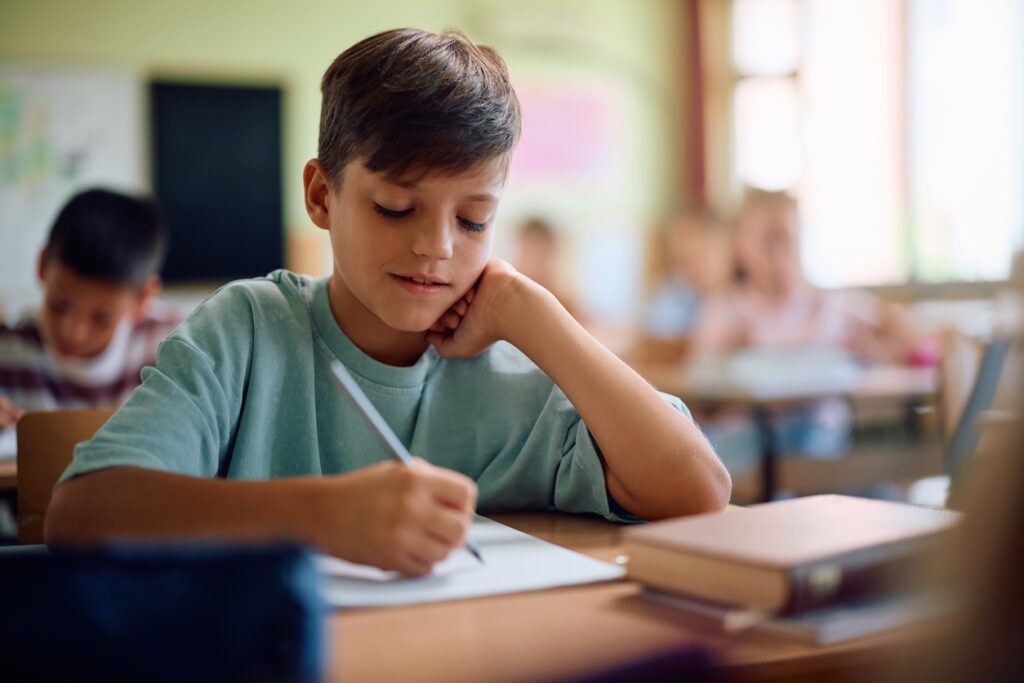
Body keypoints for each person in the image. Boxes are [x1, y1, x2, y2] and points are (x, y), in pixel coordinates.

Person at [45, 28, 730, 577]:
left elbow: (699, 490)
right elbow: (81, 511)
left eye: (474, 220)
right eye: (397, 207)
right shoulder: (248, 331)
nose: (437, 247)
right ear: (321, 196)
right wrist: (320, 515)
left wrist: (532, 309)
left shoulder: (517, 364)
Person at [694, 189, 911, 475]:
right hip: (744, 438)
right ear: (741, 246)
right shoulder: (727, 310)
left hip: (815, 437)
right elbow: (701, 384)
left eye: (786, 239)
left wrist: (875, 351)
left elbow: (897, 324)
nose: (778, 252)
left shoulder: (829, 305)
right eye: (766, 240)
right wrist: (727, 356)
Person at [0, 188, 176, 457]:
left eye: (101, 318)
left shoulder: (172, 351)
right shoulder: (8, 351)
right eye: (59, 304)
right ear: (42, 264)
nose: (73, 332)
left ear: (143, 299)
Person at [637, 209, 732, 363]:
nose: (696, 269)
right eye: (684, 261)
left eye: (702, 256)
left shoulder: (740, 297)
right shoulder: (670, 298)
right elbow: (659, 343)